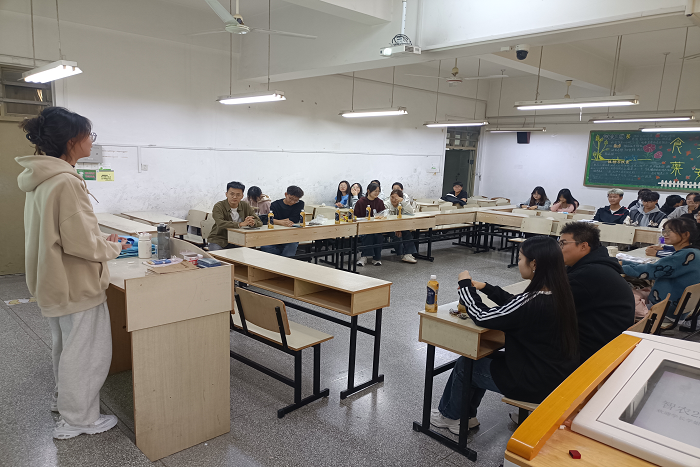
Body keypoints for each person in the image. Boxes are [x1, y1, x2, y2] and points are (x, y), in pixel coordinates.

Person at [17, 107, 130, 439]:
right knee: (86, 352)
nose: (91, 141)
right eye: (87, 135)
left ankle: (64, 402)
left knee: (66, 347)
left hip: (52, 278)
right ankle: (79, 420)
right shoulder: (66, 181)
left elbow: (63, 230)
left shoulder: (41, 178)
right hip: (75, 282)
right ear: (71, 141)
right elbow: (79, 242)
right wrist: (112, 249)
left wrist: (100, 240)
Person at [430, 237, 579, 433]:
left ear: (534, 264)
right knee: (477, 357)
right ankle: (466, 416)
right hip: (554, 373)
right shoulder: (559, 292)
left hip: (534, 382)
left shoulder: (532, 301)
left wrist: (465, 286)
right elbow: (514, 303)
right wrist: (486, 288)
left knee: (465, 366)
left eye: (520, 258)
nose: (518, 263)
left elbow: (482, 316)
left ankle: (450, 416)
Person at [558, 222, 635, 363]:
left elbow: (547, 307)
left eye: (563, 243)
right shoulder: (597, 266)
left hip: (593, 352)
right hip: (610, 342)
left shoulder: (586, 275)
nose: (558, 249)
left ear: (583, 246)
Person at [622, 218, 700, 318]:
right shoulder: (694, 252)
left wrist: (620, 266)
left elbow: (649, 270)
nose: (665, 234)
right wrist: (623, 263)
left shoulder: (683, 256)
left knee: (619, 299)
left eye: (669, 231)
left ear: (686, 234)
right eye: (664, 231)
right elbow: (655, 267)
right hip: (681, 307)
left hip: (665, 309)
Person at [209, 181, 262, 250]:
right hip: (220, 239)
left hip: (239, 239)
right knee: (217, 255)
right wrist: (240, 224)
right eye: (232, 194)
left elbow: (259, 221)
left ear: (242, 196)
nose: (234, 197)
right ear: (226, 194)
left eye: (238, 195)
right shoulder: (219, 206)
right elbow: (220, 223)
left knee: (251, 251)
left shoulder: (245, 205)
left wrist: (252, 222)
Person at [261, 186, 305, 257]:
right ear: (286, 194)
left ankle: (284, 260)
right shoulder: (275, 204)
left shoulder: (300, 204)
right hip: (275, 234)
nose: (293, 202)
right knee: (265, 247)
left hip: (291, 235)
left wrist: (277, 221)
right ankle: (282, 259)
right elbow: (269, 220)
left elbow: (295, 219)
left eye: (296, 200)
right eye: (291, 199)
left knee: (292, 244)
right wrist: (282, 222)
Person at [354, 182, 387, 266]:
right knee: (368, 235)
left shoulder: (380, 202)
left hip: (377, 227)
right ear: (368, 191)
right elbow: (356, 216)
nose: (377, 193)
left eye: (378, 191)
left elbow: (383, 214)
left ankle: (376, 258)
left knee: (378, 236)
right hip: (363, 227)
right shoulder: (361, 202)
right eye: (375, 191)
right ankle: (364, 257)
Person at [384, 189, 418, 263]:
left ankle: (408, 254)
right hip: (388, 226)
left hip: (400, 226)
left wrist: (403, 202)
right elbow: (387, 219)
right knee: (397, 236)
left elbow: (410, 212)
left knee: (407, 232)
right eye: (392, 197)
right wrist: (397, 229)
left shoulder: (402, 204)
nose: (393, 199)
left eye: (396, 198)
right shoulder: (386, 204)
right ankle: (402, 254)